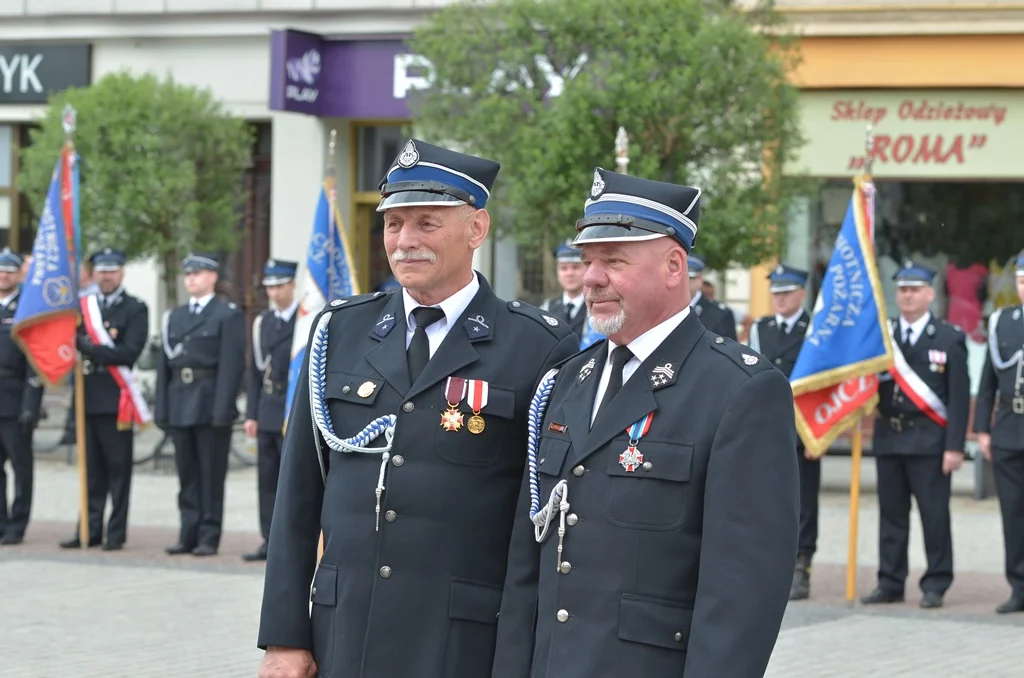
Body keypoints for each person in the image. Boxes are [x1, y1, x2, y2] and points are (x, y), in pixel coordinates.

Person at [256, 139, 577, 678]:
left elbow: (538, 527)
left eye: (427, 224)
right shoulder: (339, 330)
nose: (405, 241)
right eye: (393, 225)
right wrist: (284, 636)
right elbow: (297, 498)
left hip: (460, 640)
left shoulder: (538, 346)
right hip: (345, 632)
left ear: (477, 228)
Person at [491, 168, 799, 678]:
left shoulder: (739, 391)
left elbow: (743, 592)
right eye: (588, 260)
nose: (590, 277)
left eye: (613, 260)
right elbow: (528, 566)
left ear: (675, 266)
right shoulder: (567, 381)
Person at [860, 261, 969, 610]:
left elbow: (959, 398)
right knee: (891, 516)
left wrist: (955, 447)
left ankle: (936, 582)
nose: (907, 296)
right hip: (890, 438)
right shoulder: (882, 336)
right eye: (903, 290)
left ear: (929, 294)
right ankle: (890, 581)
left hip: (930, 443)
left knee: (933, 516)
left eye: (914, 290)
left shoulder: (949, 338)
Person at [57, 248, 149, 550]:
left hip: (117, 401)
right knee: (90, 471)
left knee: (118, 471)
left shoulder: (135, 308)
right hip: (87, 398)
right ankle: (89, 528)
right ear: (93, 273)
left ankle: (115, 532)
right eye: (101, 270)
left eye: (112, 270)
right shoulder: (83, 308)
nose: (106, 276)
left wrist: (91, 348)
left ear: (121, 272)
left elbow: (129, 352)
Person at [155, 252, 245, 557]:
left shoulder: (226, 315)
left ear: (212, 277)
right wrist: (162, 408)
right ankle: (187, 532)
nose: (191, 279)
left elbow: (231, 367)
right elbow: (164, 368)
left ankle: (208, 535)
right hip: (181, 402)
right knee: (187, 475)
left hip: (209, 405)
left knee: (210, 475)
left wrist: (223, 409)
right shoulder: (176, 316)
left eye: (198, 273)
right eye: (188, 274)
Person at [749, 264, 817, 600]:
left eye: (786, 292)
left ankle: (802, 565)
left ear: (802, 293)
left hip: (804, 431)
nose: (780, 299)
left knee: (803, 502)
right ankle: (770, 563)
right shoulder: (761, 328)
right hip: (767, 430)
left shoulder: (815, 329)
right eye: (775, 293)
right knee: (765, 500)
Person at [973, 250, 1024, 614]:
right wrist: (982, 430)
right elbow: (988, 379)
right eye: (1021, 281)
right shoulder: (1002, 321)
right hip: (1008, 427)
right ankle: (1019, 587)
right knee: (1013, 513)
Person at [242, 258, 299, 562]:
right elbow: (253, 371)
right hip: (268, 407)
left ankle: (293, 540)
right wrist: (251, 413)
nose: (274, 293)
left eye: (279, 286)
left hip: (293, 408)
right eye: (270, 287)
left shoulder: (304, 321)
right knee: (266, 480)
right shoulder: (262, 322)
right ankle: (268, 539)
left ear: (292, 285)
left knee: (293, 479)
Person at [0, 248, 44, 545]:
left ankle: (18, 524)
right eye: (0, 270)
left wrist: (31, 404)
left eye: (10, 271)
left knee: (21, 468)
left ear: (19, 275)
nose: (4, 275)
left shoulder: (27, 309)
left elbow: (36, 360)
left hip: (15, 400)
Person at [540, 240, 587, 339]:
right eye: (563, 268)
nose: (569, 273)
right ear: (557, 272)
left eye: (575, 267)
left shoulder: (596, 307)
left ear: (586, 269)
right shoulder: (547, 308)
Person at [687, 254, 736, 339]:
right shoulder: (663, 310)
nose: (682, 282)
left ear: (700, 279)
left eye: (689, 278)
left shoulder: (719, 314)